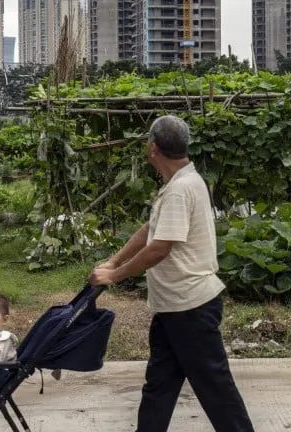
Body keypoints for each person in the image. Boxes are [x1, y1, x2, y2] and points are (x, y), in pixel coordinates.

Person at [91, 115, 254, 432]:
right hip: (174, 308)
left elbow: (158, 248)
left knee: (216, 390)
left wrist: (115, 276)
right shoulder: (183, 183)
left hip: (190, 308)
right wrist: (113, 260)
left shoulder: (180, 190)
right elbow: (152, 229)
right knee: (159, 386)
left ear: (153, 149)